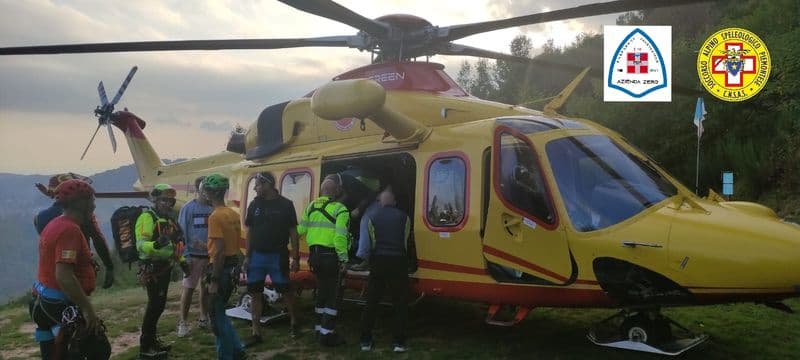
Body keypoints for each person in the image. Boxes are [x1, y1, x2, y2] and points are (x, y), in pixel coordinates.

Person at [30, 179, 111, 359]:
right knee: (98, 349)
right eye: (92, 199)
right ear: (82, 203)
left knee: (52, 351)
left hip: (43, 299)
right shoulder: (70, 230)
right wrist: (88, 310)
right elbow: (64, 276)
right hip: (59, 302)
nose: (95, 203)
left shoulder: (55, 223)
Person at [243, 172, 301, 347]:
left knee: (286, 291)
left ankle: (294, 322)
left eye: (258, 184)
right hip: (257, 256)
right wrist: (247, 256)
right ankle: (256, 331)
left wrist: (296, 257)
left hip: (278, 255)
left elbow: (293, 232)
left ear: (267, 184)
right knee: (254, 293)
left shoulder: (286, 205)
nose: (255, 188)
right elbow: (250, 231)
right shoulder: (254, 204)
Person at [34, 172, 115, 290]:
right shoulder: (83, 217)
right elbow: (98, 239)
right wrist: (109, 266)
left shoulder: (40, 218)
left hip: (49, 277)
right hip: (78, 272)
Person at [297, 174, 350, 347]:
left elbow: (301, 229)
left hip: (315, 258)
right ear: (337, 190)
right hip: (330, 257)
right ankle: (327, 335)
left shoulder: (311, 206)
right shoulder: (340, 209)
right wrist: (344, 259)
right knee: (332, 296)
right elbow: (340, 238)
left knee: (321, 292)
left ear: (322, 191)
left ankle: (319, 329)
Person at [359, 188, 411, 353]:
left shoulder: (371, 217)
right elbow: (405, 241)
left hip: (379, 261)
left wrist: (366, 261)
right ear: (395, 202)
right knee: (400, 302)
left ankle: (366, 341)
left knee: (372, 301)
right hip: (398, 261)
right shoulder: (405, 217)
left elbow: (367, 245)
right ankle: (399, 342)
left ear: (380, 203)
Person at [136, 183, 183, 358]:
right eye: (164, 200)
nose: (168, 204)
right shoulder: (147, 218)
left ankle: (152, 341)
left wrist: (182, 261)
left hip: (164, 268)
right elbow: (141, 245)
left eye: (170, 201)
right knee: (154, 305)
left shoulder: (168, 220)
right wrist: (156, 244)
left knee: (159, 306)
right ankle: (145, 347)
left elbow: (173, 246)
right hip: (152, 269)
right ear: (155, 200)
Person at [202, 173, 246, 360]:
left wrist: (214, 280)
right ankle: (238, 350)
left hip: (220, 269)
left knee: (217, 318)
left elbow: (219, 252)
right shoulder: (232, 214)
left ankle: (226, 356)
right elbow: (231, 245)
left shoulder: (215, 217)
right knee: (221, 314)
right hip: (232, 266)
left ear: (209, 193)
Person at [177, 176, 213, 337]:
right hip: (192, 255)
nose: (207, 193)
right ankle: (183, 322)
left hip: (209, 255)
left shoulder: (213, 209)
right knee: (189, 289)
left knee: (205, 288)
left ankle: (203, 317)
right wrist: (185, 256)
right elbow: (181, 233)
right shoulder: (188, 208)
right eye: (205, 189)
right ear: (198, 190)